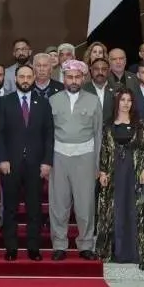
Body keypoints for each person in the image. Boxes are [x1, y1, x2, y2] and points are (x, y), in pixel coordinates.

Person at [0, 65, 54, 261]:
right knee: (10, 208)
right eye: (22, 76)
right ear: (16, 78)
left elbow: (49, 135)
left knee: (34, 208)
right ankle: (11, 248)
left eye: (29, 76)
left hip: (35, 165)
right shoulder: (4, 102)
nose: (26, 80)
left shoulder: (43, 104)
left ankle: (33, 248)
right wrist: (2, 158)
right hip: (10, 164)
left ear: (34, 78)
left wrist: (47, 162)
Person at [49, 60, 102, 260]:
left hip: (85, 157)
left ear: (83, 78)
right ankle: (59, 244)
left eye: (77, 77)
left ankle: (86, 245)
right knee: (59, 204)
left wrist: (97, 164)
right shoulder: (53, 100)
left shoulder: (93, 100)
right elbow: (48, 133)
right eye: (69, 77)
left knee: (85, 204)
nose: (73, 80)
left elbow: (98, 134)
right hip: (59, 156)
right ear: (63, 78)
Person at [95, 90, 144, 269]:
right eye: (122, 100)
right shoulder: (108, 125)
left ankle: (134, 253)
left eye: (129, 100)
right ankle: (114, 252)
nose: (126, 103)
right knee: (114, 210)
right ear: (117, 103)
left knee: (134, 210)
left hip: (133, 172)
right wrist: (102, 171)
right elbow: (103, 149)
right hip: (114, 173)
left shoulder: (140, 125)